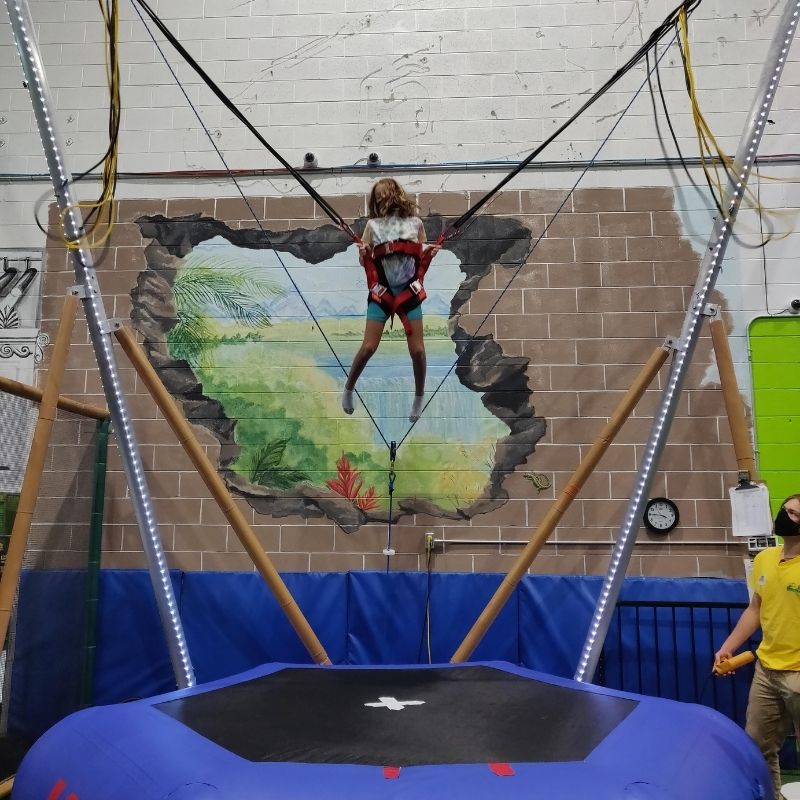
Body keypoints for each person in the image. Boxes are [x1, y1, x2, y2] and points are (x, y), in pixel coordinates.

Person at [715, 493, 800, 800]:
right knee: (758, 746)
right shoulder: (764, 559)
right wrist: (728, 646)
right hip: (766, 670)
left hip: (798, 674)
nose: (785, 516)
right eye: (785, 510)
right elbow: (755, 610)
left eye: (793, 514)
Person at [342, 178, 439, 423]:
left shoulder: (415, 224)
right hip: (382, 291)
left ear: (395, 194)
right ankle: (349, 388)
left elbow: (419, 254)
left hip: (408, 291)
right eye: (377, 197)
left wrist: (428, 251)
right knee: (368, 347)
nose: (381, 199)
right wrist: (363, 254)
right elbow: (365, 261)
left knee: (417, 351)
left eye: (383, 194)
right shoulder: (372, 226)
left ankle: (418, 396)